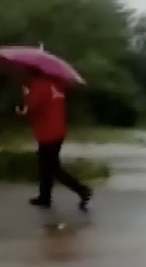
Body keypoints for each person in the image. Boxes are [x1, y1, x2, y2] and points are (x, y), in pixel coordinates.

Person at [17, 70, 91, 211]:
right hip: (57, 129)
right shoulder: (56, 84)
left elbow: (31, 108)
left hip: (47, 132)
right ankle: (44, 197)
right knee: (45, 166)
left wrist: (24, 98)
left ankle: (82, 190)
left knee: (52, 167)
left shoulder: (39, 86)